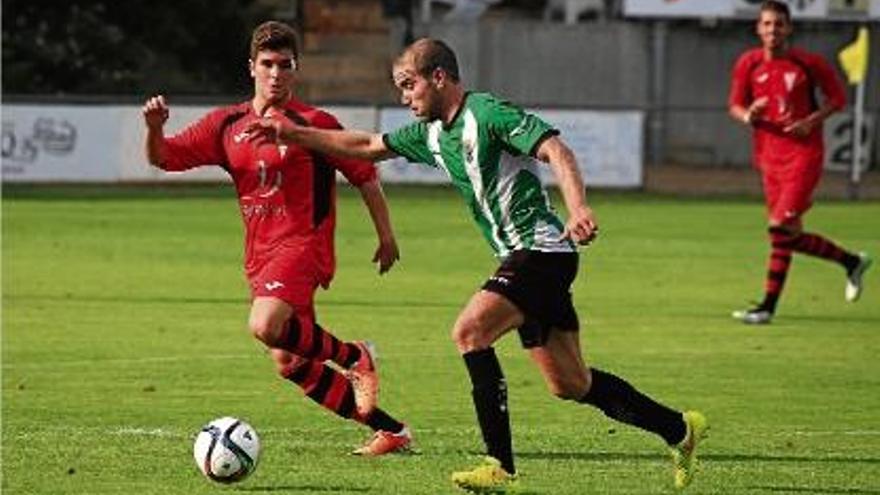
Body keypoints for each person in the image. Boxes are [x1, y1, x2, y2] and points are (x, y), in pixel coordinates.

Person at [245, 37, 707, 492]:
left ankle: (499, 466)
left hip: (543, 251)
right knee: (570, 383)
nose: (405, 98)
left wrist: (579, 208)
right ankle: (680, 429)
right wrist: (295, 133)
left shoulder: (487, 114)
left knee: (470, 331)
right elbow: (367, 144)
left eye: (409, 85)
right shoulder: (432, 134)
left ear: (439, 77)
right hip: (525, 259)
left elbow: (555, 150)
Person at [141, 21, 412, 456]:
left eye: (285, 65)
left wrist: (386, 234)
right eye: (267, 64)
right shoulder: (226, 125)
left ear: (296, 69)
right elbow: (164, 158)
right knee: (291, 362)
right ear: (252, 67)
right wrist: (155, 128)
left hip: (305, 246)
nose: (276, 73)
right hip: (261, 256)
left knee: (265, 325)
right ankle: (392, 431)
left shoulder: (314, 123)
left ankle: (355, 356)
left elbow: (363, 173)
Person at [728, 0, 872, 325]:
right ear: (758, 28)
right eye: (767, 24)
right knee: (786, 234)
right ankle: (850, 262)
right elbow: (735, 105)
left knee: (779, 226)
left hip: (803, 155)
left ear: (789, 28)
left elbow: (837, 99)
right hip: (768, 157)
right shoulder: (748, 63)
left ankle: (766, 307)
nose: (772, 30)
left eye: (779, 24)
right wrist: (749, 114)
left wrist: (812, 120)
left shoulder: (809, 63)